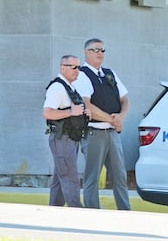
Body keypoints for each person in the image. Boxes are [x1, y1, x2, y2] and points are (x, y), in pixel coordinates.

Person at [72, 38, 131, 210]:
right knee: (92, 177)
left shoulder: (110, 73)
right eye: (95, 50)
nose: (100, 53)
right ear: (86, 52)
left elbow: (125, 99)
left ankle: (126, 212)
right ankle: (92, 213)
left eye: (102, 50)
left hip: (112, 134)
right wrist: (112, 119)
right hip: (93, 132)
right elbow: (86, 105)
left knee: (120, 176)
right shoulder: (82, 75)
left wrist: (121, 116)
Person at [42, 55, 90, 207]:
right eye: (73, 67)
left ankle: (54, 212)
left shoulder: (69, 86)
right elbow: (47, 113)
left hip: (70, 138)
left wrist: (83, 113)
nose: (78, 70)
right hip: (62, 139)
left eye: (79, 67)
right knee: (70, 178)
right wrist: (72, 112)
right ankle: (77, 213)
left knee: (59, 178)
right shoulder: (57, 87)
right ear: (62, 67)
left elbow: (74, 109)